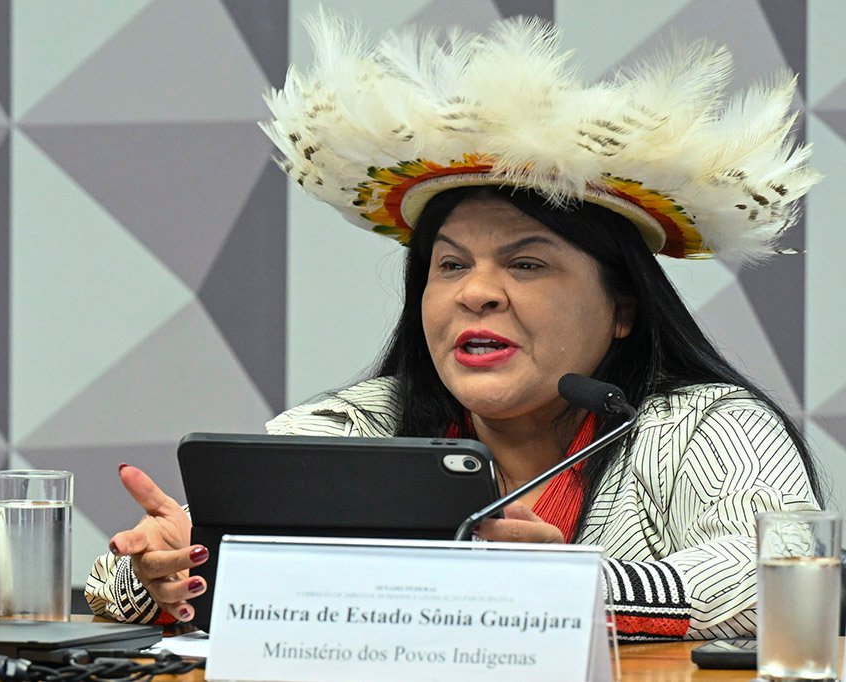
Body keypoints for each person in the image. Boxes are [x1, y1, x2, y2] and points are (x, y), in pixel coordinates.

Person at [85, 12, 824, 642]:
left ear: (624, 305)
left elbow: (785, 573)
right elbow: (131, 572)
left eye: (526, 264)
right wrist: (159, 572)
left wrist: (568, 587)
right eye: (449, 266)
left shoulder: (700, 426)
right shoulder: (356, 427)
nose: (477, 294)